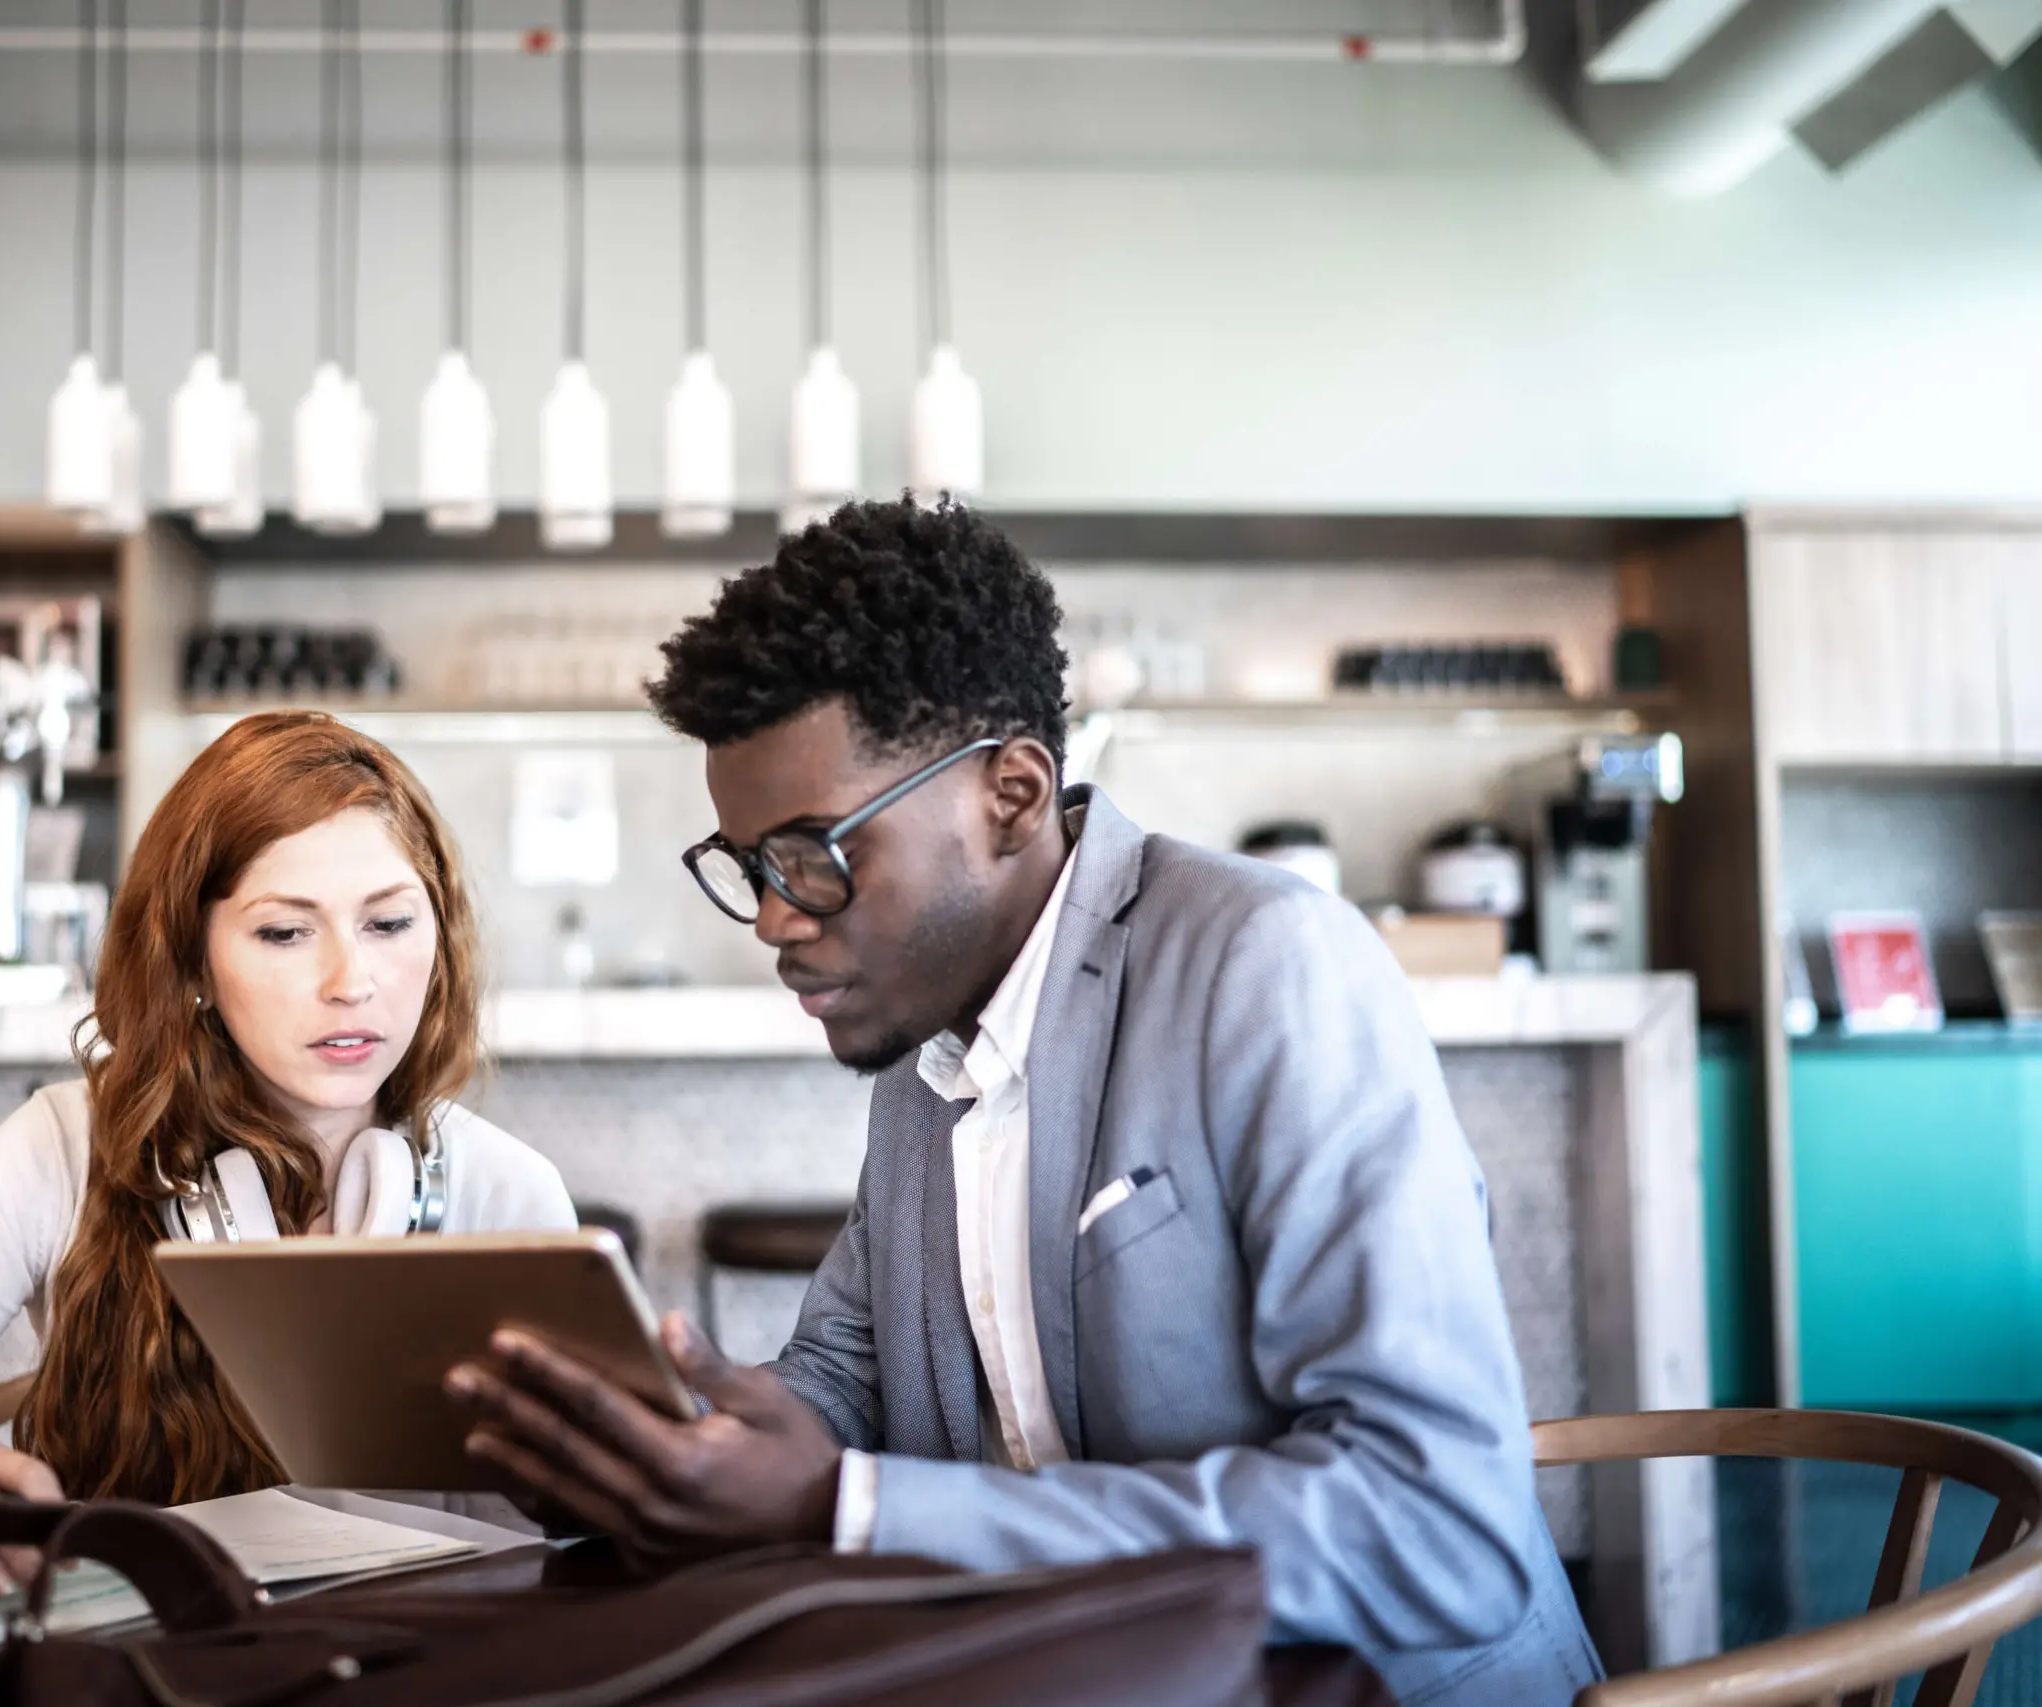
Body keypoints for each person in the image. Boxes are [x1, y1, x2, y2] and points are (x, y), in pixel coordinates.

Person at [446, 499, 1601, 1706]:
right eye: (753, 869)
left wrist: (839, 1505)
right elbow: (843, 1382)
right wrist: (655, 1447)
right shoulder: (920, 1043)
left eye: (815, 855)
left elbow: (1433, 1527)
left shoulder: (1267, 964)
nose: (780, 918)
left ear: (1010, 791)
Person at [0, 711, 576, 1589]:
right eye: (284, 931)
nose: (353, 982)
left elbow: (545, 1571)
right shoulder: (59, 1150)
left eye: (388, 923)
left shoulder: (508, 1193)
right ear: (191, 959)